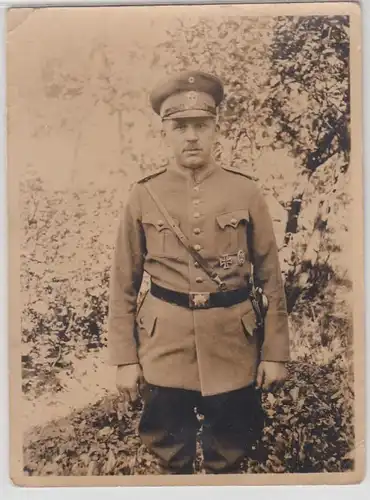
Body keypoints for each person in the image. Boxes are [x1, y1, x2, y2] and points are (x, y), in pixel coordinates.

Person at [107, 70, 290, 474]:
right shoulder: (143, 194)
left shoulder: (245, 191)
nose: (191, 136)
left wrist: (275, 353)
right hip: (163, 347)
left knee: (231, 451)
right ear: (165, 133)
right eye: (180, 127)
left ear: (215, 130)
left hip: (232, 345)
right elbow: (123, 282)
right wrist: (124, 358)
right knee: (170, 454)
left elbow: (270, 278)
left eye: (201, 126)